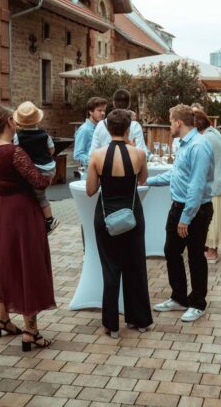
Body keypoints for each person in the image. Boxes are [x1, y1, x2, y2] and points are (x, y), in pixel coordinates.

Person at [0, 106, 55, 351]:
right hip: (23, 211)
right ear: (10, 123)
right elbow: (39, 180)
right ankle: (31, 332)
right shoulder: (14, 152)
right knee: (28, 263)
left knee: (6, 261)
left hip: (3, 208)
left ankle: (2, 318)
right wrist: (49, 173)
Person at [87, 109, 152, 337]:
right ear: (127, 129)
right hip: (132, 215)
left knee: (111, 269)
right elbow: (143, 180)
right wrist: (131, 145)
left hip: (106, 216)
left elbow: (90, 190)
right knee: (135, 266)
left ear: (106, 128)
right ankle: (140, 320)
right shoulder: (138, 154)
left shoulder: (96, 155)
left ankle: (111, 325)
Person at [146, 104, 214, 323]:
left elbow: (196, 185)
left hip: (196, 210)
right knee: (171, 251)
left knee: (195, 256)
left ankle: (198, 303)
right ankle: (179, 298)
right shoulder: (183, 144)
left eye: (169, 120)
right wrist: (147, 182)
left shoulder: (200, 145)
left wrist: (186, 217)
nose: (169, 125)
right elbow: (176, 175)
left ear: (178, 122)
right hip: (178, 206)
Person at [12, 101, 59, 234]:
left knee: (40, 197)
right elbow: (52, 150)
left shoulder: (18, 137)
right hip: (49, 168)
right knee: (39, 195)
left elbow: (16, 151)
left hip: (35, 171)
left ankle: (50, 221)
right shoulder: (45, 135)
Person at [194, 110, 221, 264]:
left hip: (214, 183)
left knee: (212, 219)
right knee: (215, 217)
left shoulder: (205, 138)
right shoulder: (214, 132)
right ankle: (209, 248)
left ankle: (212, 251)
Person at [91, 89, 150, 155]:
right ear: (129, 104)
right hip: (128, 164)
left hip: (104, 164)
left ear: (113, 103)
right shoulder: (135, 126)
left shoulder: (101, 125)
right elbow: (142, 152)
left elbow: (92, 153)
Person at [73, 96, 107, 169]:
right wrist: (96, 161)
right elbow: (77, 155)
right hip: (88, 173)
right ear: (90, 112)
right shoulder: (84, 130)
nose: (103, 113)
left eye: (104, 110)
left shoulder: (102, 128)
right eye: (99, 110)